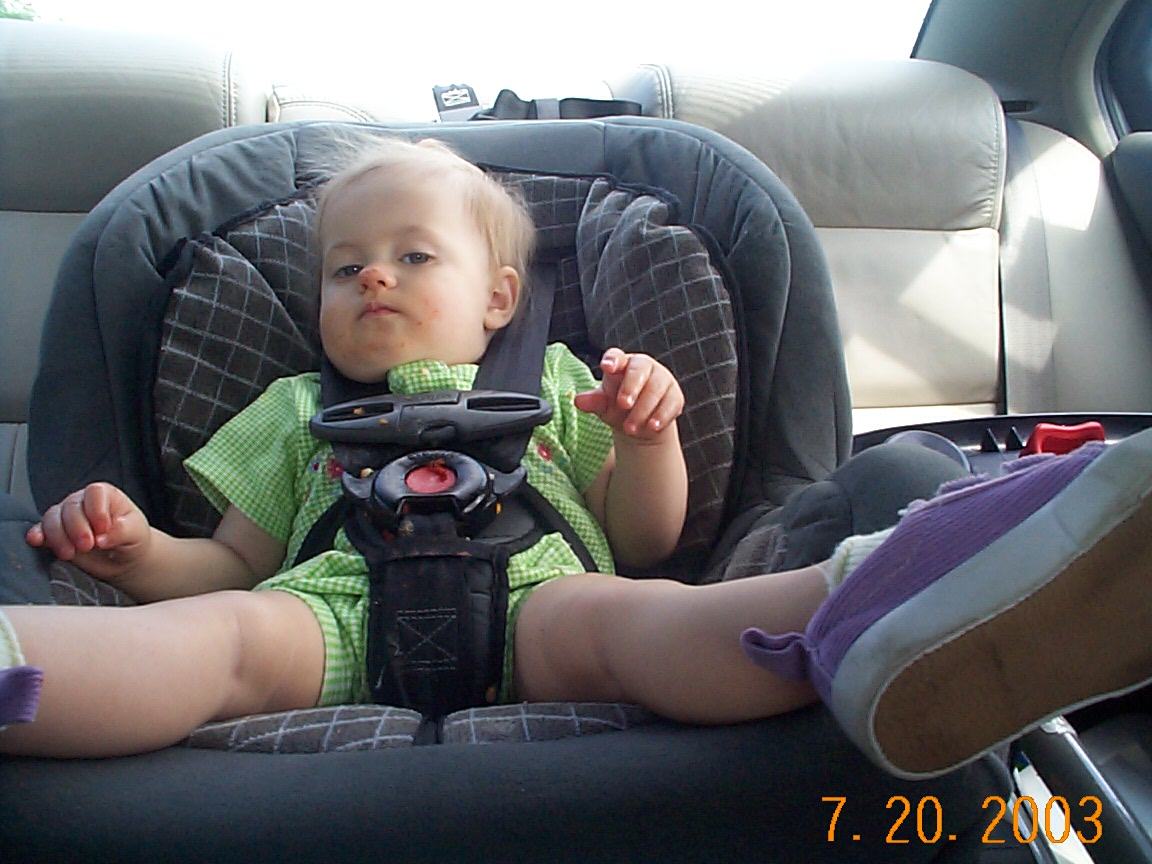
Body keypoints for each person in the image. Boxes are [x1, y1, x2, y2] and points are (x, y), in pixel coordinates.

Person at [3, 137, 1152, 782]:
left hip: (546, 601)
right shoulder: (293, 407)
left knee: (646, 623)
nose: (373, 277)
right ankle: (20, 661)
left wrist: (648, 439)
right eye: (344, 268)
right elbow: (231, 566)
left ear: (500, 296)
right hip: (324, 614)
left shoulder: (561, 383)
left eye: (412, 256)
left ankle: (882, 606)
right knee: (210, 643)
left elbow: (649, 542)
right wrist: (136, 551)